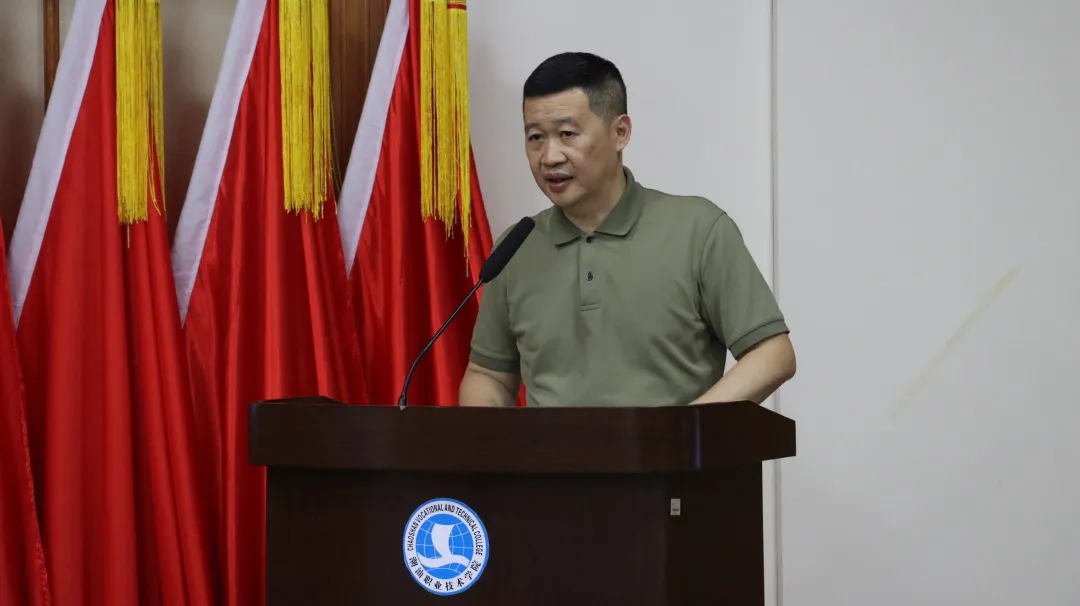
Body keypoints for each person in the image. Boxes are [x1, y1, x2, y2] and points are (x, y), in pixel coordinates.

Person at [459, 51, 795, 407]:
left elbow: (773, 354)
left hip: (673, 444)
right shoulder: (515, 249)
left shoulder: (698, 230)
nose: (550, 156)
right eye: (536, 137)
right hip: (549, 447)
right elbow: (488, 376)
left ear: (620, 132)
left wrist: (686, 429)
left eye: (567, 134)